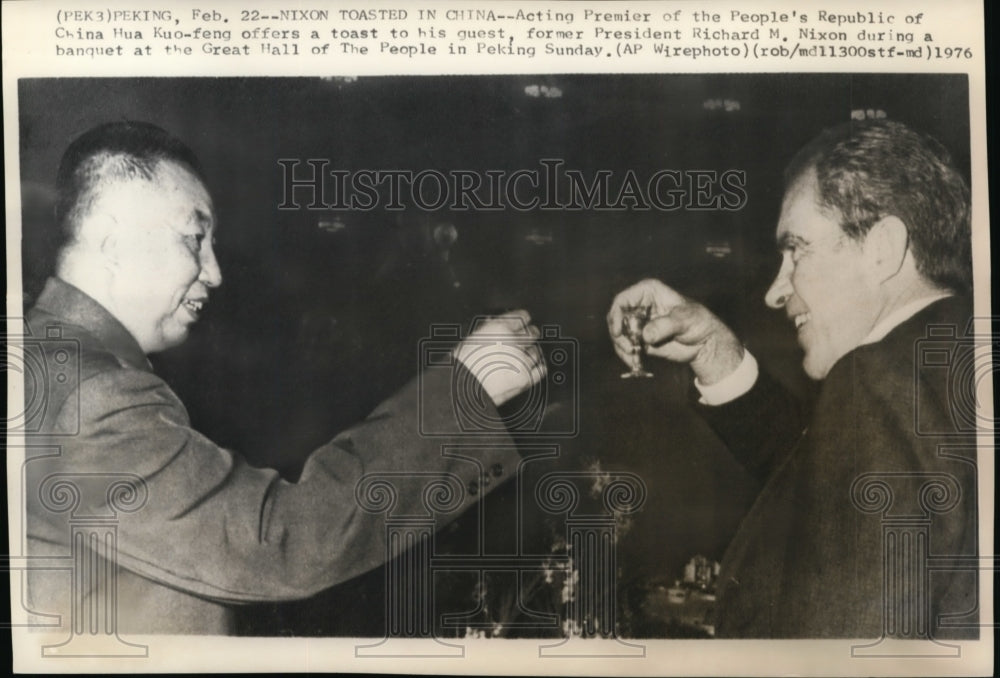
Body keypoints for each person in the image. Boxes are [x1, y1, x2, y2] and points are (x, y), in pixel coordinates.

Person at [24, 121, 545, 635]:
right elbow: (279, 541)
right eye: (195, 237)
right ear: (110, 242)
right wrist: (462, 391)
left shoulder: (50, 359)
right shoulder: (92, 400)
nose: (215, 271)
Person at [608, 120, 979, 638]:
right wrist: (717, 352)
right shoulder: (954, 360)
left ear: (882, 247)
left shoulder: (873, 381)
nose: (775, 291)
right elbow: (834, 494)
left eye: (796, 250)